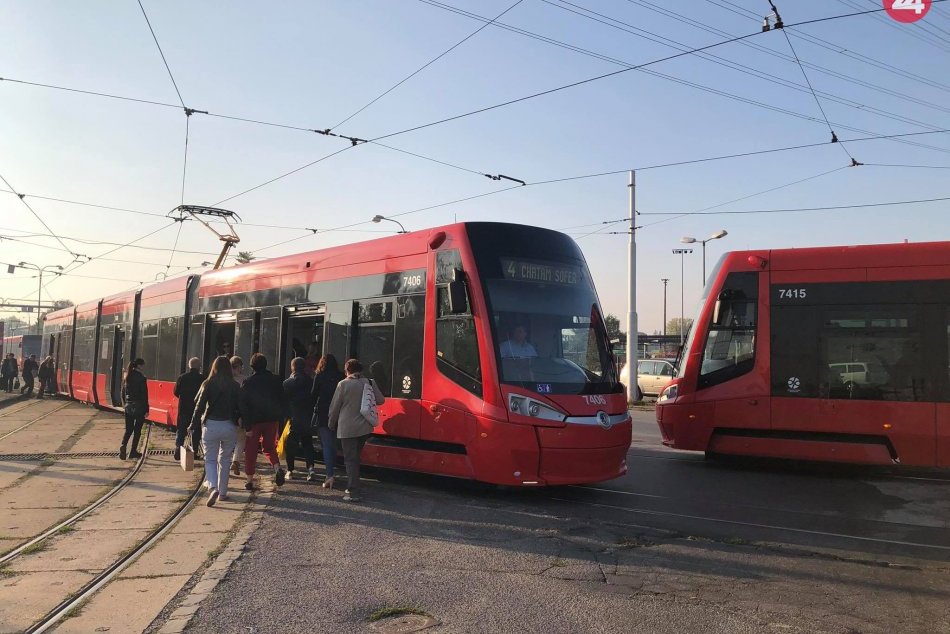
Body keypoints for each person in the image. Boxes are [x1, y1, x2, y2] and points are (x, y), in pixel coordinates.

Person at [328, 358, 384, 502]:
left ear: (347, 370)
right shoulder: (369, 382)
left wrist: (331, 423)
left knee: (350, 460)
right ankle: (353, 485)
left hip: (347, 428)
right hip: (365, 428)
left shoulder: (343, 384)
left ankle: (353, 491)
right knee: (355, 458)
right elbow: (380, 400)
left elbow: (335, 408)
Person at [191, 356, 241, 507]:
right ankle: (223, 493)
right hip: (229, 426)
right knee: (225, 459)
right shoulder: (234, 385)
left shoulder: (208, 383)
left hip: (211, 425)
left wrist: (192, 424)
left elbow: (198, 406)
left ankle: (213, 487)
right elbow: (242, 406)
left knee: (210, 459)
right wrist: (248, 425)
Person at [239, 353, 287, 490]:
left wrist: (246, 425)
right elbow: (282, 399)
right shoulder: (276, 380)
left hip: (254, 421)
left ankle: (249, 480)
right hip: (272, 420)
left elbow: (243, 404)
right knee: (269, 447)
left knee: (251, 450)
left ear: (252, 366)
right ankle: (277, 467)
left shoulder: (248, 382)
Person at [311, 353, 343, 489]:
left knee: (327, 444)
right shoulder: (341, 376)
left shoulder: (319, 376)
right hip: (339, 414)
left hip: (324, 413)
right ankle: (334, 471)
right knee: (334, 443)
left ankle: (330, 475)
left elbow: (313, 394)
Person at [283, 357, 316, 480]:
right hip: (308, 417)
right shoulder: (311, 382)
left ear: (293, 367)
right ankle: (311, 469)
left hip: (293, 418)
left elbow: (284, 402)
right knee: (308, 443)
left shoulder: (287, 383)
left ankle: (290, 470)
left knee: (291, 444)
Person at [173, 357, 205, 461]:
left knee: (181, 430)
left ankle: (178, 450)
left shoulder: (182, 377)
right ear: (199, 367)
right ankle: (194, 452)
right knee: (196, 432)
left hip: (183, 409)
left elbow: (176, 392)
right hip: (196, 409)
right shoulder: (202, 379)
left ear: (189, 366)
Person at [120, 358, 149, 461]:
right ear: (139, 366)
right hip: (139, 407)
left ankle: (123, 445)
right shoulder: (141, 378)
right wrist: (147, 409)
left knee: (128, 429)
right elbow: (144, 395)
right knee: (137, 430)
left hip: (128, 406)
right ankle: (133, 451)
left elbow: (122, 392)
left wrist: (125, 405)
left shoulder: (127, 376)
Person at [229, 356, 247, 477]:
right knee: (241, 440)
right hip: (239, 415)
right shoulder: (244, 380)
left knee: (226, 441)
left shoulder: (225, 379)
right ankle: (235, 460)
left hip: (226, 415)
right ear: (239, 366)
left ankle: (224, 464)